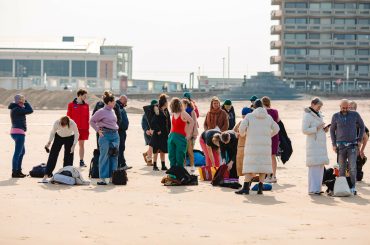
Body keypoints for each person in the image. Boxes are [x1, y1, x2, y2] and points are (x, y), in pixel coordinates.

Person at [235, 99, 280, 195]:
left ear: (254, 107)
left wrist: (243, 134)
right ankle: (260, 188)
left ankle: (246, 188)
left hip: (252, 145)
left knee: (249, 166)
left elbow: (241, 128)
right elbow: (277, 129)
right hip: (265, 146)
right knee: (262, 167)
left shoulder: (249, 116)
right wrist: (269, 135)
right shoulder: (268, 117)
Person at [330, 99, 365, 195]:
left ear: (349, 107)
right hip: (340, 147)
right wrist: (333, 144)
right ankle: (342, 187)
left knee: (352, 167)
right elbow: (332, 130)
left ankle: (353, 187)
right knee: (341, 168)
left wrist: (359, 139)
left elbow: (362, 126)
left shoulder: (355, 115)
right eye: (343, 108)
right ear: (340, 106)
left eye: (347, 107)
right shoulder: (335, 116)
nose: (345, 109)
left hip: (352, 146)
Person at [90, 91, 120, 185]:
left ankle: (112, 177)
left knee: (114, 156)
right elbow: (92, 121)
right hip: (105, 135)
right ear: (108, 102)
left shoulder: (113, 110)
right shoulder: (101, 111)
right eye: (113, 101)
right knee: (104, 157)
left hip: (115, 135)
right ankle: (103, 178)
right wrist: (98, 130)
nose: (115, 103)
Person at [302, 98, 330, 195]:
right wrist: (316, 128)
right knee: (314, 167)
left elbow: (319, 129)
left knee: (320, 166)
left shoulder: (319, 114)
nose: (319, 108)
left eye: (320, 107)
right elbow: (304, 130)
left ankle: (318, 189)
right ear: (312, 104)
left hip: (320, 144)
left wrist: (324, 129)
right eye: (318, 106)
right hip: (313, 144)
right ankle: (312, 189)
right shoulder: (307, 115)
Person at [42, 116, 79, 182]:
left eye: (64, 125)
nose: (63, 126)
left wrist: (74, 145)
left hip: (69, 138)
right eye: (62, 125)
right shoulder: (57, 122)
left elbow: (76, 133)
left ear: (68, 123)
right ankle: (47, 174)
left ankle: (67, 174)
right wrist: (49, 142)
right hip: (59, 137)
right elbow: (53, 132)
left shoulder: (72, 123)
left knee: (68, 156)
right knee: (53, 155)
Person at [8, 94, 33, 178]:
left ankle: (18, 171)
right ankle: (15, 172)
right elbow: (30, 110)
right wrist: (26, 102)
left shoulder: (16, 108)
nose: (23, 101)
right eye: (22, 100)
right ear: (18, 101)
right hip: (19, 133)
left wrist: (23, 102)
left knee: (21, 152)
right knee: (17, 153)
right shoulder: (17, 109)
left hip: (16, 132)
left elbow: (26, 110)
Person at [168, 98, 194, 168]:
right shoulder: (173, 114)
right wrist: (170, 133)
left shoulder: (183, 113)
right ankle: (172, 174)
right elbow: (172, 125)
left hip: (181, 137)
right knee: (171, 156)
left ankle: (180, 173)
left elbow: (192, 121)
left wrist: (189, 134)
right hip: (172, 136)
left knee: (180, 157)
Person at [67, 89, 90, 167]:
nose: (86, 97)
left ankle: (81, 161)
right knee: (72, 145)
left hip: (83, 129)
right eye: (84, 95)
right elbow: (68, 117)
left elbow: (87, 118)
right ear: (80, 95)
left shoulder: (86, 105)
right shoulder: (71, 105)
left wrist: (87, 129)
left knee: (82, 145)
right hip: (74, 129)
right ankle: (69, 162)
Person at [150, 94, 171, 171]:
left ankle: (163, 165)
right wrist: (158, 130)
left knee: (163, 149)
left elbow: (168, 121)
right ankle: (154, 165)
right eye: (167, 101)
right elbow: (153, 122)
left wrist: (169, 130)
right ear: (164, 102)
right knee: (156, 150)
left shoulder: (166, 110)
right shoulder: (157, 110)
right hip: (158, 133)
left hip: (165, 133)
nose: (168, 103)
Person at [261, 96, 280, 183]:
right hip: (275, 135)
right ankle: (274, 176)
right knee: (273, 156)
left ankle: (268, 176)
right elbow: (278, 120)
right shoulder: (275, 111)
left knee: (267, 156)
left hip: (266, 135)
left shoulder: (264, 112)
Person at [233, 107, 252, 177]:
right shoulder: (242, 122)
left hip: (243, 146)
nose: (244, 116)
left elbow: (234, 131)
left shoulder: (243, 122)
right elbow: (234, 131)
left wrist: (237, 134)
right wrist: (237, 134)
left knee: (241, 165)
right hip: (246, 146)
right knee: (244, 165)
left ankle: (246, 179)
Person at [182, 98, 198, 172]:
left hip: (190, 135)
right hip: (182, 134)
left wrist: (194, 134)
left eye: (182, 104)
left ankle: (192, 166)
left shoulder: (191, 112)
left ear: (186, 104)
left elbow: (195, 123)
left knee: (190, 151)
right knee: (183, 152)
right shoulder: (181, 112)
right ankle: (184, 166)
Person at [115, 95, 131, 170]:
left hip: (123, 131)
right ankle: (119, 165)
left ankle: (122, 163)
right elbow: (117, 119)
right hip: (119, 131)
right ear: (121, 99)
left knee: (122, 148)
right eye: (125, 101)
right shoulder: (117, 106)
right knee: (120, 148)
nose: (126, 103)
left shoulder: (121, 107)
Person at [142, 99, 157, 166]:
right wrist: (146, 130)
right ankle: (149, 161)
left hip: (154, 132)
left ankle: (146, 154)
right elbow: (143, 123)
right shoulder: (146, 113)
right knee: (152, 146)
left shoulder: (156, 112)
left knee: (154, 147)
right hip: (148, 133)